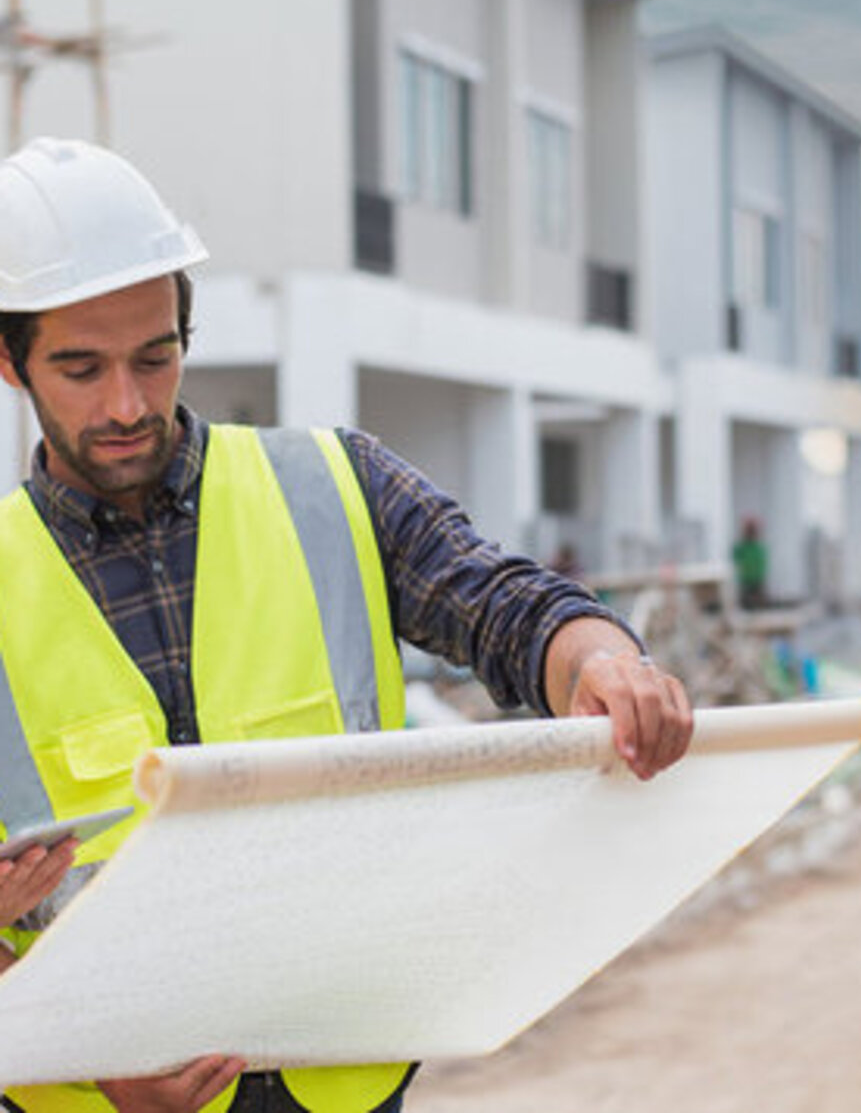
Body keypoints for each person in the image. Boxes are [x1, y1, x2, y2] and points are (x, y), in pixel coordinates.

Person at [0, 138, 693, 1113]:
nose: (127, 403)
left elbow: (502, 600)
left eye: (155, 359)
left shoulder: (333, 488)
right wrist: (75, 1040)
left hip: (335, 1078)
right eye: (81, 368)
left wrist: (602, 659)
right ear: (8, 361)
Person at [732, 516, 768, 610]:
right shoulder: (741, 548)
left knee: (758, 607)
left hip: (757, 582)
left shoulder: (759, 548)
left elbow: (762, 566)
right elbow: (735, 561)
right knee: (746, 606)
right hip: (745, 582)